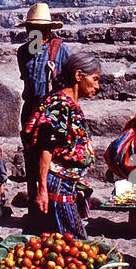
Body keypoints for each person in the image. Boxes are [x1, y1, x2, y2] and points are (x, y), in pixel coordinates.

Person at [22, 53, 102, 238]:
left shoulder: (68, 103)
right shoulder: (59, 104)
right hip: (58, 184)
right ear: (78, 76)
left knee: (62, 240)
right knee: (73, 240)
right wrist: (42, 189)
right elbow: (45, 148)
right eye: (95, 79)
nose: (97, 86)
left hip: (66, 182)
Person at [15, 3, 72, 206]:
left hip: (53, 115)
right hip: (30, 112)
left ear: (48, 30)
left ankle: (54, 204)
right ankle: (34, 205)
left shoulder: (61, 50)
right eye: (31, 29)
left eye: (39, 29)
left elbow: (71, 84)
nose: (34, 33)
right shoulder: (23, 53)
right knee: (31, 159)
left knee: (52, 161)